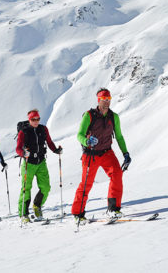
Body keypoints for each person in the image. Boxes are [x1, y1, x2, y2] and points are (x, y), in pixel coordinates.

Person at [71, 88, 131, 225]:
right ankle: (78, 213)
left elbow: (119, 137)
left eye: (108, 99)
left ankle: (113, 209)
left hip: (107, 153)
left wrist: (125, 153)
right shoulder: (89, 115)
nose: (106, 102)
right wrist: (86, 141)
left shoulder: (113, 117)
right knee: (86, 184)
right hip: (90, 155)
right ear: (98, 100)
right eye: (104, 100)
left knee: (117, 174)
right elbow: (79, 135)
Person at [15, 109, 62, 222]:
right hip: (28, 163)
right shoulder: (24, 132)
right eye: (33, 119)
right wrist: (23, 153)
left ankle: (37, 205)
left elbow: (49, 142)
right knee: (26, 188)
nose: (36, 121)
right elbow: (18, 148)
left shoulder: (43, 129)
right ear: (29, 119)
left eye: (37, 119)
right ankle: (23, 213)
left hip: (41, 162)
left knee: (46, 187)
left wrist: (56, 150)